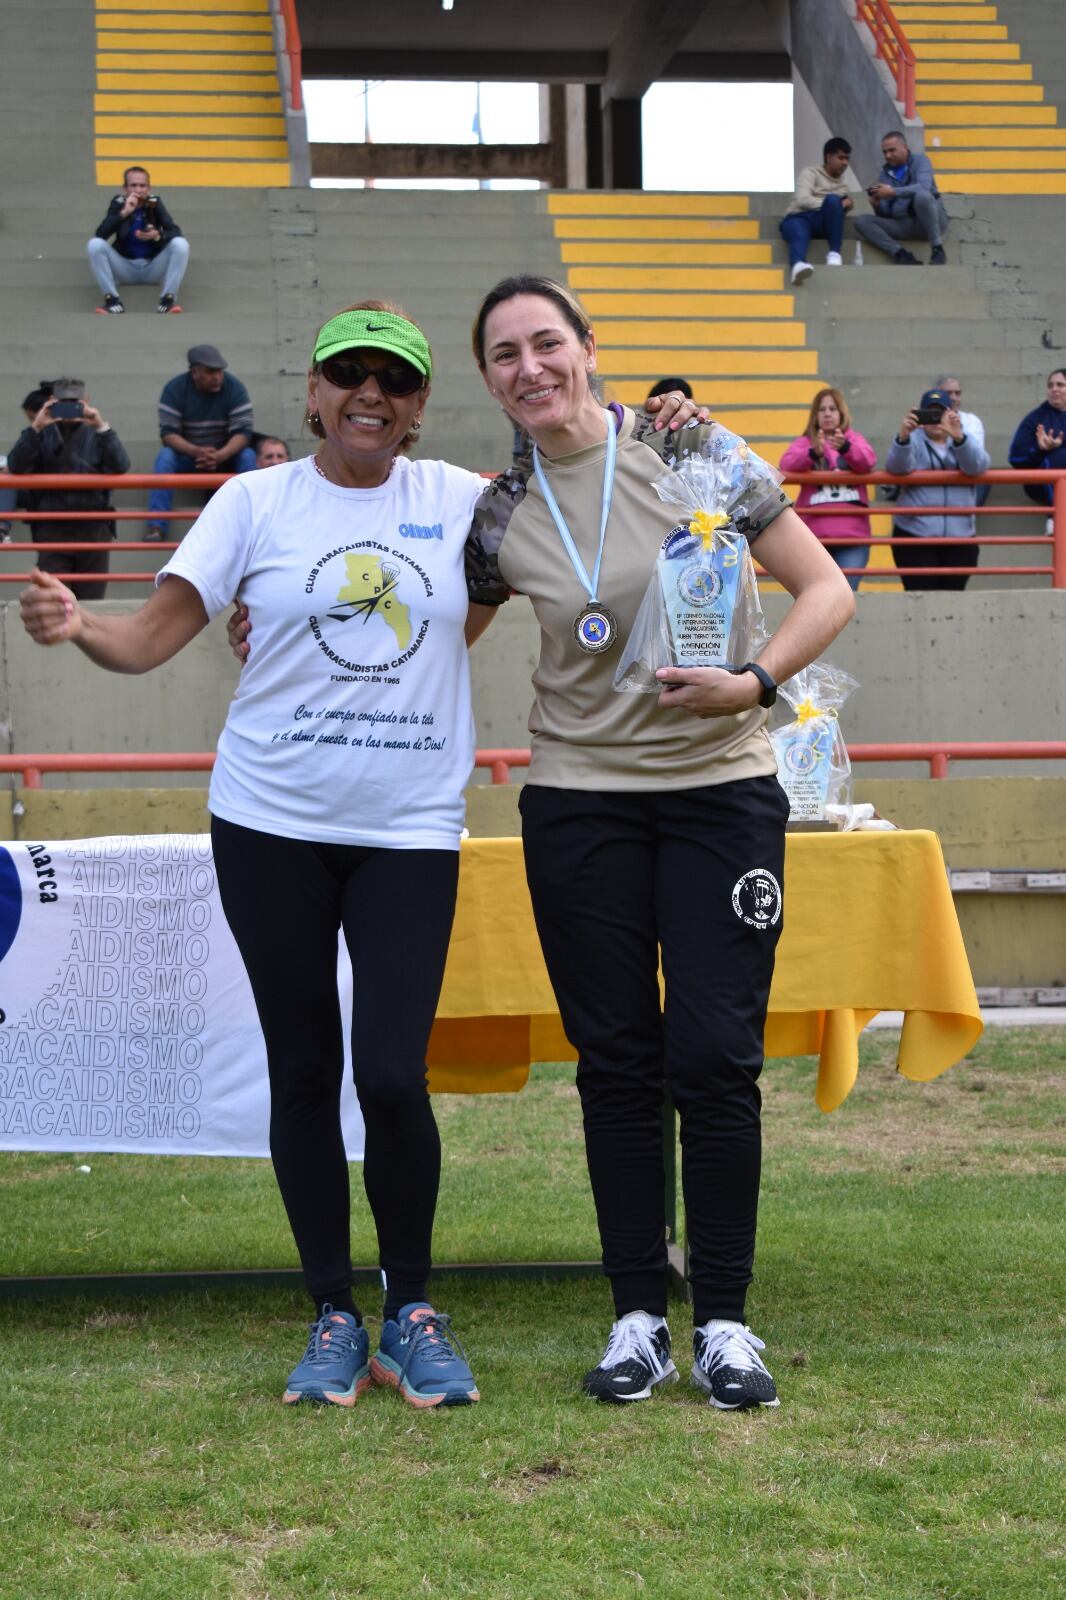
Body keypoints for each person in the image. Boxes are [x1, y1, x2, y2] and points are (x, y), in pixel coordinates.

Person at [23, 299, 702, 1411]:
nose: (369, 397)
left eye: (393, 380)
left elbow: (588, 505)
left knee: (390, 1072)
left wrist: (671, 423)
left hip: (406, 830)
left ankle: (413, 1310)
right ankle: (333, 1310)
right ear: (313, 392)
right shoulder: (253, 501)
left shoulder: (468, 503)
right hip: (268, 822)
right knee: (303, 1068)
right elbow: (149, 636)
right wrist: (77, 624)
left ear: (423, 402)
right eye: (349, 376)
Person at [463, 275, 854, 1410]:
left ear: (589, 348)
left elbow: (826, 588)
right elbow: (432, 628)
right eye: (504, 355)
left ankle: (725, 1320)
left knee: (715, 1057)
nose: (529, 367)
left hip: (718, 792)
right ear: (489, 380)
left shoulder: (693, 452)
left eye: (547, 343)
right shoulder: (499, 511)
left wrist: (753, 681)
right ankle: (637, 1313)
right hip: (578, 804)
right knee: (617, 1062)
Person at [7, 378, 129, 600]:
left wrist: (101, 425)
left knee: (91, 602)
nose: (70, 408)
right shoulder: (41, 433)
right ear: (52, 402)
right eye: (64, 402)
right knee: (54, 599)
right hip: (52, 527)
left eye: (75, 402)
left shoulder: (98, 433)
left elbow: (121, 465)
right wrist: (37, 426)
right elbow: (16, 465)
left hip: (93, 526)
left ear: (86, 401)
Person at [146, 344, 257, 540]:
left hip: (225, 456)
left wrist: (220, 455)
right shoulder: (175, 389)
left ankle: (255, 522)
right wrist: (196, 451)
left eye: (220, 371)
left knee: (247, 455)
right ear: (195, 372)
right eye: (210, 372)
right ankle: (157, 526)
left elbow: (243, 433)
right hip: (189, 457)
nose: (217, 377)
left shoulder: (234, 388)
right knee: (166, 457)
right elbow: (168, 434)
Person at [885, 387, 991, 590]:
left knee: (954, 598)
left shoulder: (963, 436)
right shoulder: (912, 438)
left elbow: (978, 466)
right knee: (919, 597)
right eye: (929, 413)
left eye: (939, 413)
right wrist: (903, 438)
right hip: (915, 536)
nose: (934, 419)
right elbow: (897, 468)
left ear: (952, 414)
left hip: (960, 537)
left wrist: (959, 438)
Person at [779, 388, 876, 590]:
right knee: (819, 594)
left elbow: (868, 461)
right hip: (814, 539)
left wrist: (845, 448)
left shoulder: (854, 439)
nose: (827, 413)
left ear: (842, 413)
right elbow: (786, 465)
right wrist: (813, 453)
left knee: (846, 594)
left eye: (833, 408)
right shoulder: (805, 442)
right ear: (815, 415)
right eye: (822, 409)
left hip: (853, 538)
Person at [87, 165, 189, 315]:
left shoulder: (155, 203)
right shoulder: (118, 203)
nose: (138, 190)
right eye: (133, 185)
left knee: (181, 244)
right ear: (125, 188)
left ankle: (167, 301)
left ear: (149, 188)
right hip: (124, 269)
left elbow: (175, 231)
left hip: (152, 267)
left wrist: (157, 235)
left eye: (142, 185)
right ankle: (112, 301)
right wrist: (124, 213)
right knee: (94, 245)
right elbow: (101, 234)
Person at [854, 132, 949, 266]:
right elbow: (887, 214)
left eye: (892, 150)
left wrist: (892, 192)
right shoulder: (885, 175)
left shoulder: (921, 161)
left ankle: (937, 249)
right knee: (861, 221)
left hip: (932, 221)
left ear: (905, 147)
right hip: (904, 225)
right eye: (885, 152)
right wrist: (878, 205)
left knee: (922, 196)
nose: (888, 155)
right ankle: (901, 255)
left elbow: (924, 187)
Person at [779, 137, 854, 286]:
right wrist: (835, 205)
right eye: (841, 158)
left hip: (821, 223)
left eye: (847, 159)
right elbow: (802, 200)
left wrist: (844, 207)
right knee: (800, 230)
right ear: (828, 157)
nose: (845, 163)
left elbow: (835, 216)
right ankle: (798, 265)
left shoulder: (844, 186)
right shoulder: (810, 173)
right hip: (798, 217)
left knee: (833, 201)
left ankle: (834, 253)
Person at [1008, 369, 1066, 521]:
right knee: (1058, 456)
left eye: (1060, 385)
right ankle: (1056, 520)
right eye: (1050, 385)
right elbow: (1016, 458)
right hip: (1040, 484)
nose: (1054, 389)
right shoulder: (1036, 418)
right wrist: (1040, 449)